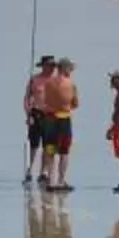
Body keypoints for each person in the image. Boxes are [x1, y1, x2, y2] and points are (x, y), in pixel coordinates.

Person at [43, 57, 80, 191]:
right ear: (65, 69)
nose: (71, 71)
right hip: (64, 119)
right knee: (64, 151)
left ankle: (50, 181)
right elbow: (75, 104)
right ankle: (61, 180)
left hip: (50, 119)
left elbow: (46, 100)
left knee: (50, 149)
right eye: (70, 69)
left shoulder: (48, 83)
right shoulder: (70, 84)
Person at [22, 55, 57, 187]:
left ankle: (45, 171)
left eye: (53, 66)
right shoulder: (35, 80)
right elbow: (27, 98)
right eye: (49, 65)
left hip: (52, 115)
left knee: (49, 145)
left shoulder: (56, 80)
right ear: (43, 66)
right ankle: (30, 169)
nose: (52, 68)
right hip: (36, 113)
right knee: (34, 144)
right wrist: (28, 114)